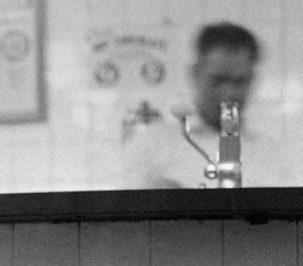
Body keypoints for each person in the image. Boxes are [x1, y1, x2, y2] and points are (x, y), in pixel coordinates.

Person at [121, 20, 289, 188]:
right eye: (218, 80)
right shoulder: (152, 145)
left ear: (252, 80)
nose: (228, 93)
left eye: (239, 82)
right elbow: (120, 208)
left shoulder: (272, 155)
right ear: (195, 74)